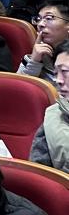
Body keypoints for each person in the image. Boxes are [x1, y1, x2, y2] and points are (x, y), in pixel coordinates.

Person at [30, 41, 69, 172]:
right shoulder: (54, 115)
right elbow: (40, 173)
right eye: (56, 73)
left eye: (64, 71)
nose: (58, 80)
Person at [19, 1, 69, 82]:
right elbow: (18, 87)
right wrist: (34, 62)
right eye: (38, 19)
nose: (40, 24)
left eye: (49, 18)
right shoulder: (37, 54)